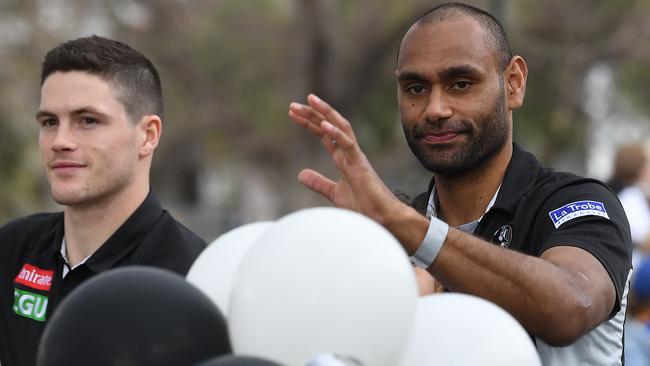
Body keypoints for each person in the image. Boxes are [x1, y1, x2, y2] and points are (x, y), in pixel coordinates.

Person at [288, 3, 632, 365]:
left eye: (461, 84)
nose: (435, 109)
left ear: (513, 83)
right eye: (416, 88)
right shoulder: (393, 229)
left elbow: (571, 306)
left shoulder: (577, 202)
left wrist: (409, 229)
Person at [0, 35, 206, 366]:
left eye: (88, 121)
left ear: (148, 135)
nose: (60, 141)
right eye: (50, 122)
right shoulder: (12, 249)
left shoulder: (196, 274)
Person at [609, 143, 650, 267]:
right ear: (641, 169)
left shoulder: (616, 191)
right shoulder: (630, 195)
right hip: (635, 268)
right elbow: (645, 241)